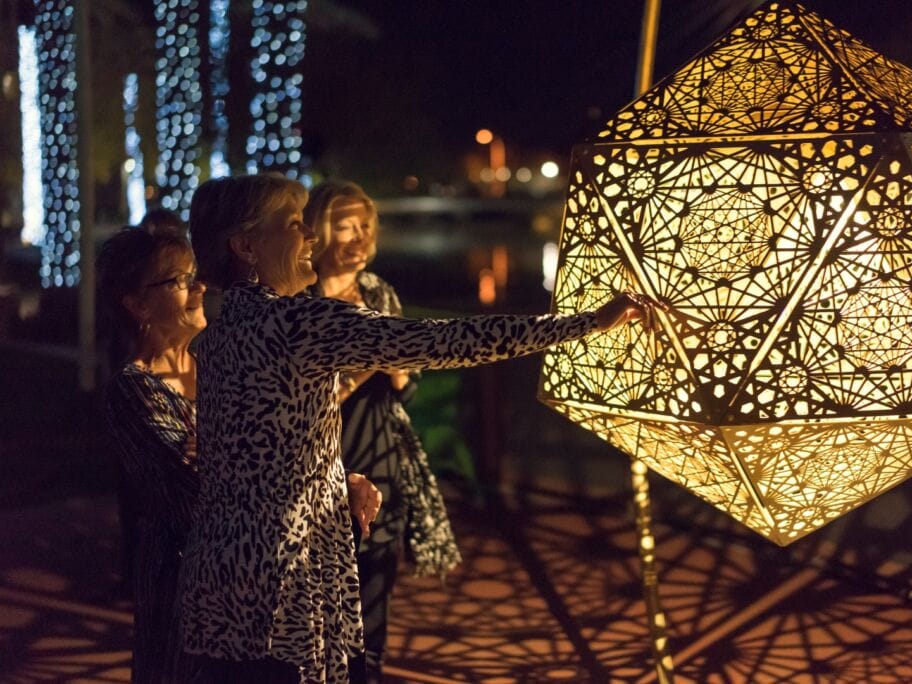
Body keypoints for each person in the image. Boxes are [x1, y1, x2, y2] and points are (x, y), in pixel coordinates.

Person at [180, 174, 660, 684]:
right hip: (284, 575)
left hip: (221, 573)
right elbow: (448, 341)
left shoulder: (218, 335)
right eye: (295, 224)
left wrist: (334, 481)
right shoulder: (297, 324)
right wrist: (584, 323)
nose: (310, 237)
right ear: (246, 246)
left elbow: (251, 459)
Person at [304, 180, 460, 682]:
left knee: (374, 598)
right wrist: (365, 366)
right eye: (344, 227)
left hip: (381, 457)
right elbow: (300, 399)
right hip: (321, 463)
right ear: (319, 232)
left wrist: (400, 375)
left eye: (364, 227)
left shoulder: (378, 293)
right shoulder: (299, 300)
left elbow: (404, 394)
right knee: (316, 598)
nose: (356, 239)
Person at [98, 228, 207, 683]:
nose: (199, 287)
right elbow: (194, 476)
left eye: (195, 275)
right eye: (178, 280)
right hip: (180, 569)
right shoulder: (132, 388)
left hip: (241, 560)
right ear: (137, 304)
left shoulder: (218, 361)